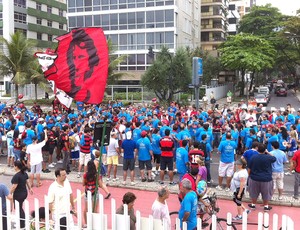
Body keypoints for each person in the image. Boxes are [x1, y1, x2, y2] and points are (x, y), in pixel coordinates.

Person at [247, 143, 276, 211]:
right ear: (265, 150)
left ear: (257, 149)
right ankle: (266, 206)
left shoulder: (253, 157)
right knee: (266, 193)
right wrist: (268, 152)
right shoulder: (268, 158)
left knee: (253, 192)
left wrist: (248, 177)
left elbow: (249, 168)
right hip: (266, 178)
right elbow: (274, 158)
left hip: (254, 178)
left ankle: (253, 204)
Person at [10, 160, 33, 228]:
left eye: (14, 166)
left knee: (18, 208)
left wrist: (9, 193)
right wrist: (30, 189)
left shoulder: (16, 176)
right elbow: (27, 182)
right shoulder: (24, 173)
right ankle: (21, 222)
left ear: (16, 167)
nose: (14, 167)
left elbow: (14, 186)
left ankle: (21, 224)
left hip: (18, 194)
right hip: (24, 193)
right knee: (20, 207)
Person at [82, 160, 99, 226]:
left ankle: (86, 223)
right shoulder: (96, 174)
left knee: (86, 209)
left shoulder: (86, 175)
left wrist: (87, 183)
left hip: (87, 192)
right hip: (94, 191)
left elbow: (83, 184)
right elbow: (99, 184)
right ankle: (94, 223)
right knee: (95, 209)